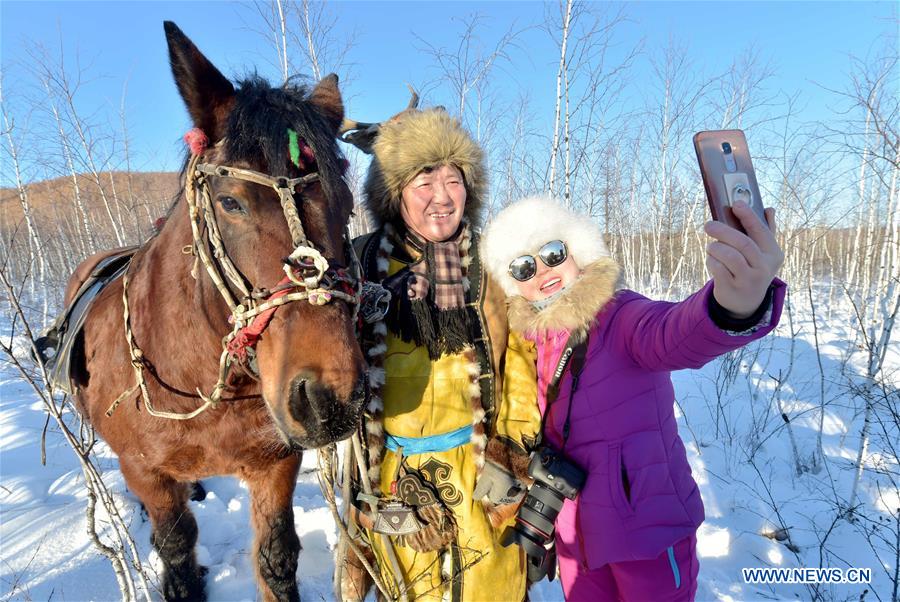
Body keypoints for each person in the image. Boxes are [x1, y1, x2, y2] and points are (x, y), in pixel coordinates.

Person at [479, 195, 786, 601]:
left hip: (647, 534)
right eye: (524, 266)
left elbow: (674, 331)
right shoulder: (524, 347)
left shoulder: (620, 315)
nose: (543, 271)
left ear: (577, 248)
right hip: (577, 542)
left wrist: (734, 303)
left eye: (553, 252)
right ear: (511, 284)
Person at [338, 108, 542, 602]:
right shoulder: (362, 263)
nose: (442, 197)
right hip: (391, 473)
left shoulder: (490, 265)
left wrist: (511, 457)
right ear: (395, 193)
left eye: (454, 180)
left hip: (478, 472)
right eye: (424, 182)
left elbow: (518, 361)